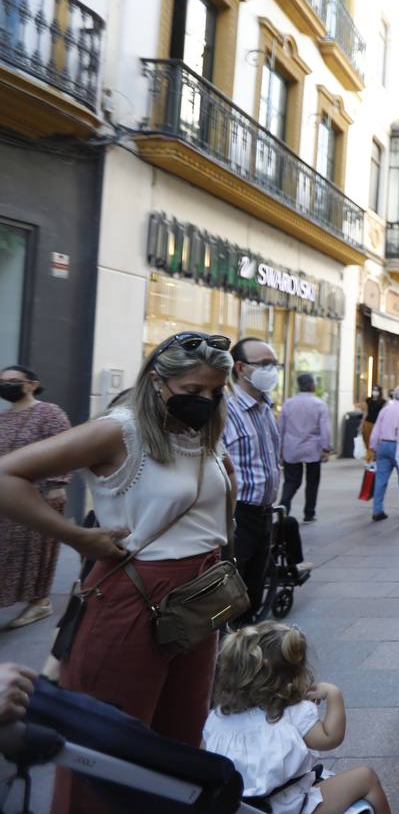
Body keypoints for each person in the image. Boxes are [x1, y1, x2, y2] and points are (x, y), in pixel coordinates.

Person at [0, 331, 234, 813]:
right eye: (193, 391)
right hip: (133, 597)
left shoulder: (198, 432)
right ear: (157, 381)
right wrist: (76, 537)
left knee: (178, 744)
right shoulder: (120, 429)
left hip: (196, 602)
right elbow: (7, 475)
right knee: (106, 754)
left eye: (215, 392)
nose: (206, 401)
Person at [204, 622, 391, 814]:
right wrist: (334, 695)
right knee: (366, 777)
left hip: (243, 808)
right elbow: (330, 738)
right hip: (289, 806)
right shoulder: (291, 712)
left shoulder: (216, 718)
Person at [0, 365, 72, 629]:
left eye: (13, 381)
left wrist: (58, 483)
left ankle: (39, 602)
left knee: (35, 550)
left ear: (31, 384)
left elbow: (66, 448)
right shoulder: (4, 418)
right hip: (5, 497)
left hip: (39, 493)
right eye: (2, 381)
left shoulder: (48, 412)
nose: (6, 385)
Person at [225, 338, 287, 621]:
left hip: (263, 515)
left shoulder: (265, 407)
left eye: (274, 364)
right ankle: (226, 655)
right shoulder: (226, 410)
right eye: (264, 364)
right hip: (237, 514)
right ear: (240, 368)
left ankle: (246, 656)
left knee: (253, 594)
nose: (271, 370)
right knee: (231, 596)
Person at [279, 373, 332, 524]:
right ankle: (309, 513)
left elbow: (280, 428)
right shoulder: (319, 404)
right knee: (312, 482)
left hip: (292, 448)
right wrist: (326, 448)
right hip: (312, 449)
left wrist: (279, 448)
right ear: (312, 385)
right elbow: (325, 429)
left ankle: (283, 508)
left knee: (291, 481)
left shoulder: (288, 403)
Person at [369, 385, 399, 524]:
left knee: (381, 479)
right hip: (398, 446)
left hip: (383, 445)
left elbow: (376, 429)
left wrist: (373, 447)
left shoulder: (385, 409)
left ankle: (377, 510)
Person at [361, 385, 386, 459]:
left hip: (377, 424)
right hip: (368, 422)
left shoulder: (383, 402)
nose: (374, 392)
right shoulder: (368, 400)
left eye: (376, 390)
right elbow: (366, 412)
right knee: (367, 440)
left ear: (379, 392)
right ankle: (369, 456)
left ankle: (373, 455)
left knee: (375, 440)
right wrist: (361, 424)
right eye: (373, 390)